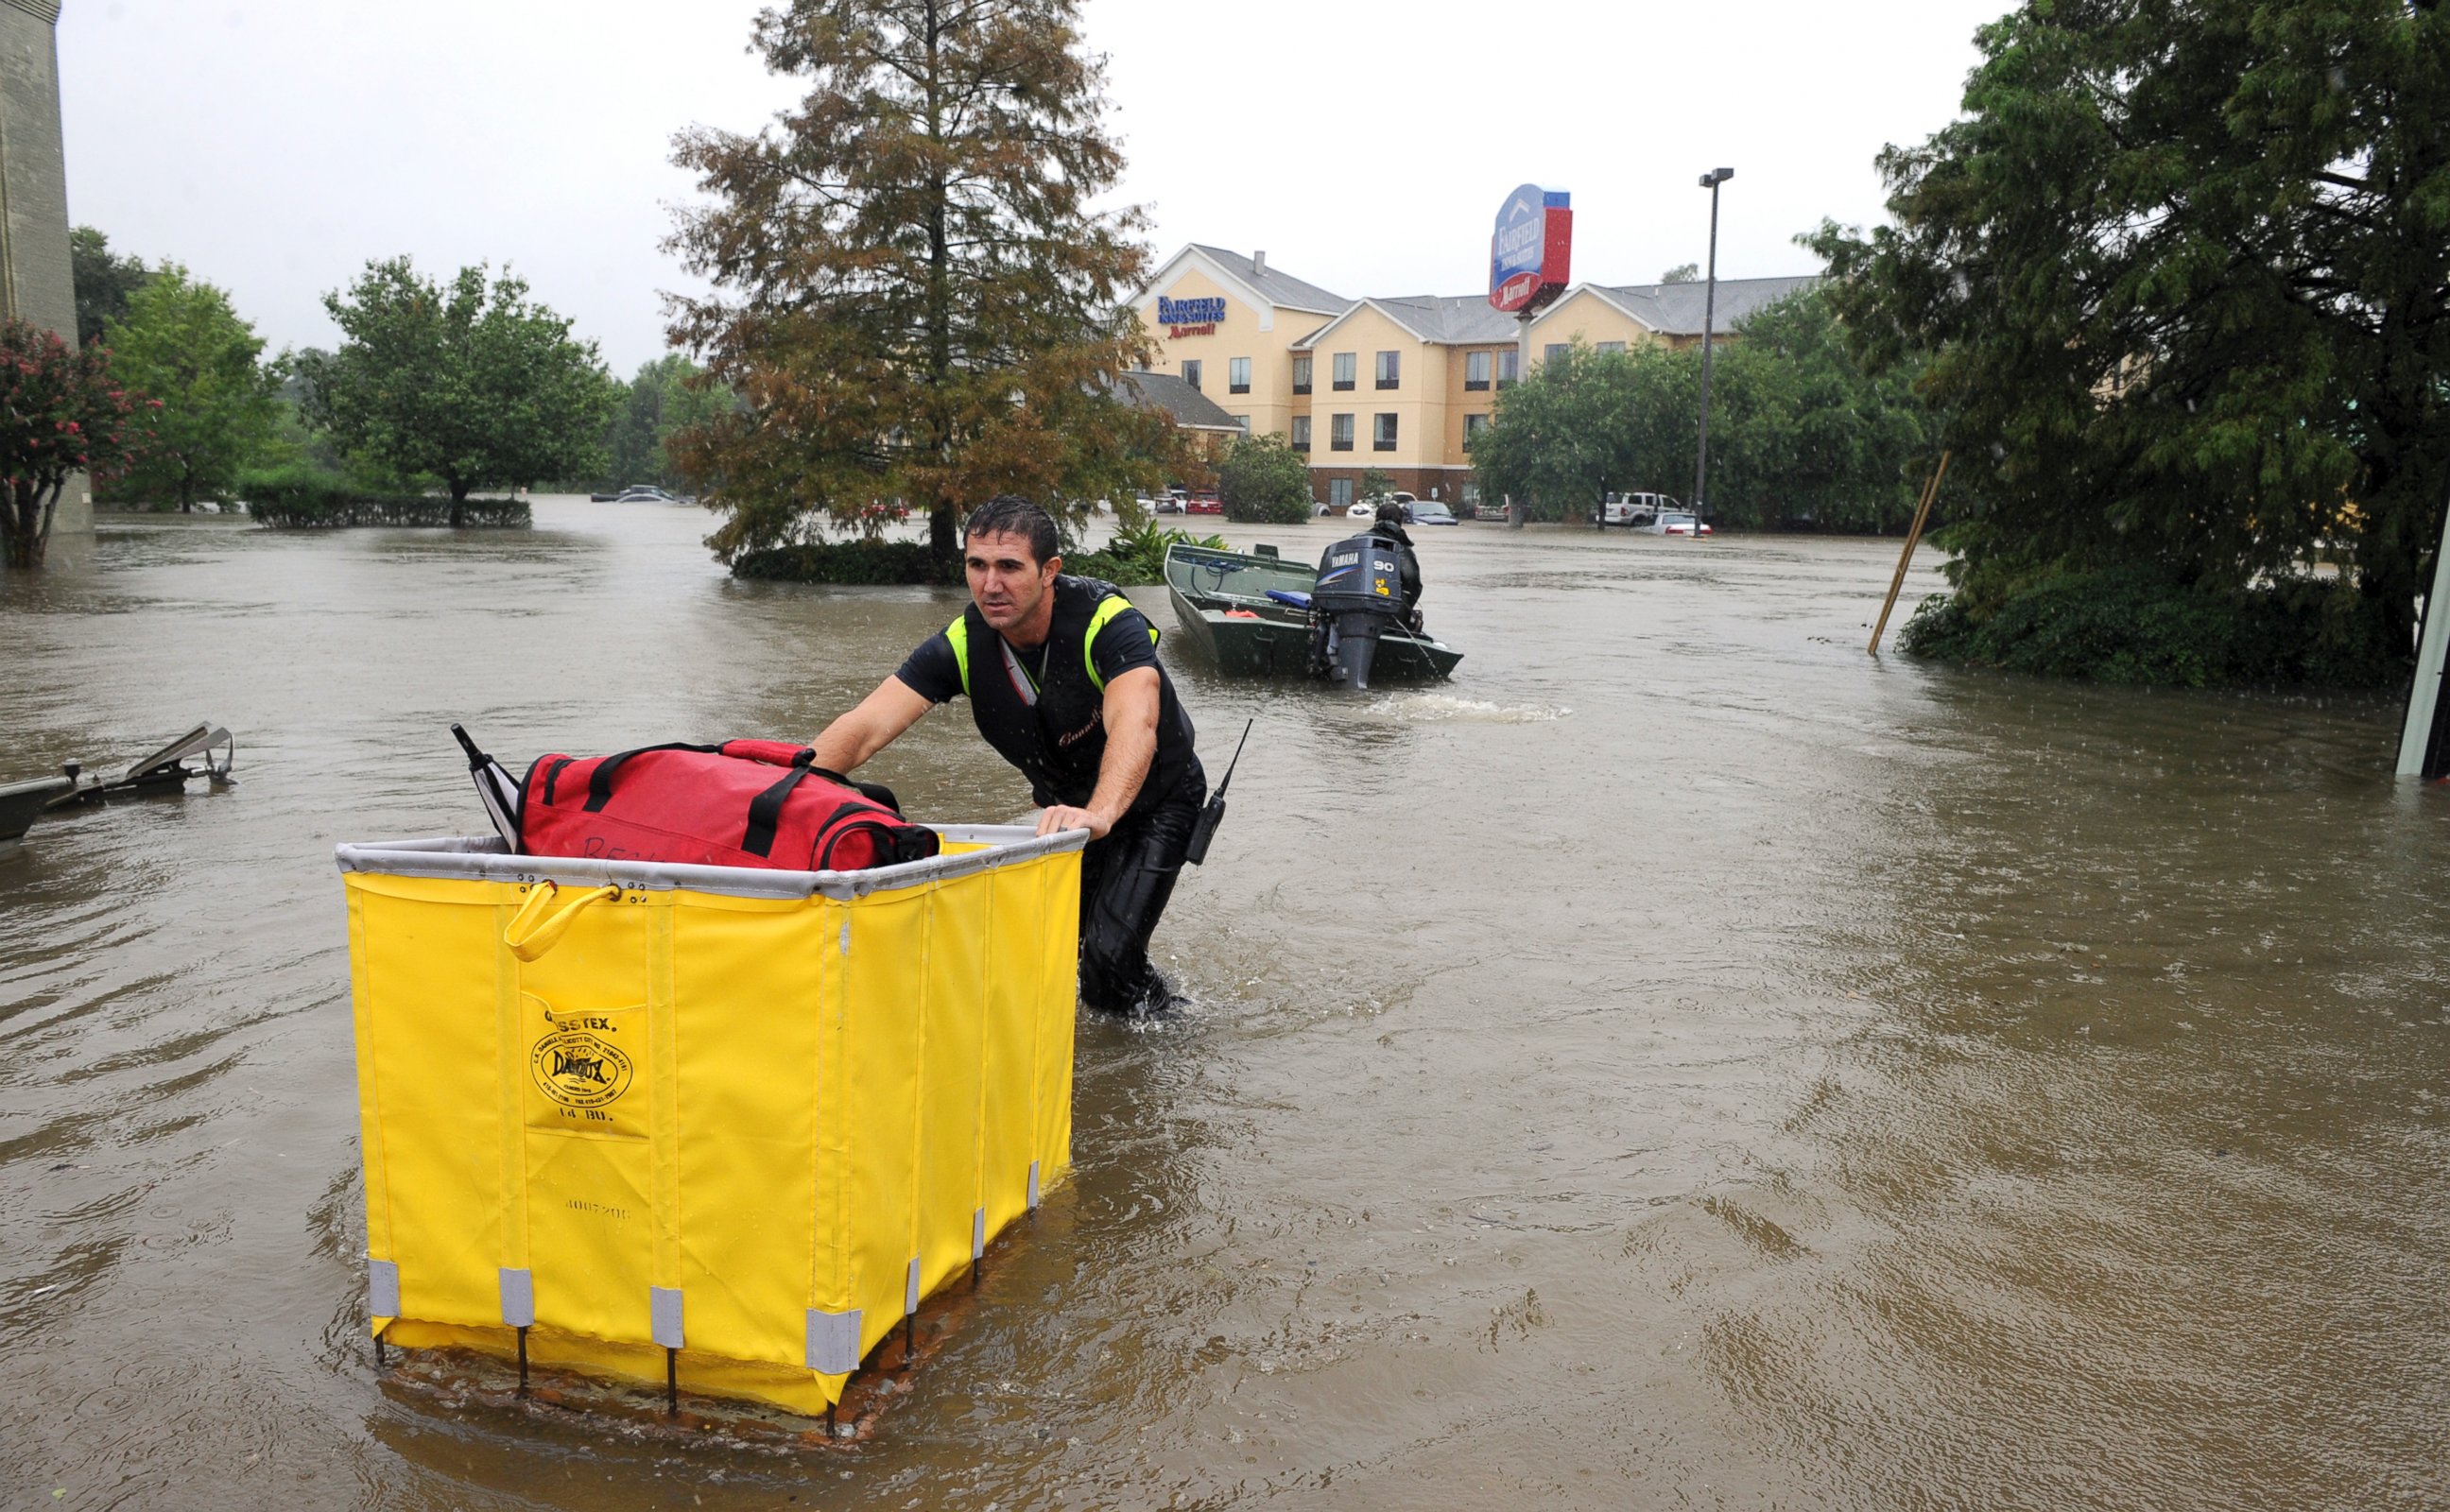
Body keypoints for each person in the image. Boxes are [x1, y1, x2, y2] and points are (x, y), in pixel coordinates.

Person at [809, 496, 1206, 1015]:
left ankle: (1175, 1026)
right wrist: (784, 784)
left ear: (1049, 572)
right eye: (977, 565)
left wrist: (1103, 812)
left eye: (1009, 567)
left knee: (1107, 960)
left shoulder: (1107, 622)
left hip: (1158, 800)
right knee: (1060, 953)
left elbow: (1137, 722)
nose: (990, 585)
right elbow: (863, 729)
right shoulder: (963, 643)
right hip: (1072, 812)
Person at [1309, 499, 1425, 687]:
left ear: (1376, 519)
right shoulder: (1404, 550)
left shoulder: (1358, 541)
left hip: (1347, 615)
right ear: (1400, 522)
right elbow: (1414, 585)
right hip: (1391, 620)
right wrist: (1400, 612)